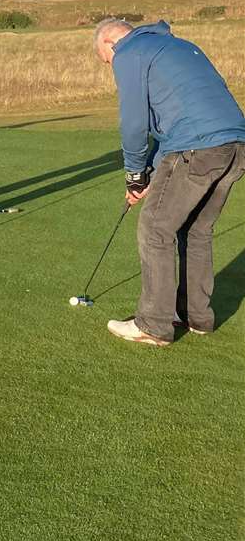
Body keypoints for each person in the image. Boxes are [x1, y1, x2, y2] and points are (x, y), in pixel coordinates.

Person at [94, 18, 245, 346]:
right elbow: (172, 125)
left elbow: (135, 123)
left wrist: (134, 174)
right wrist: (147, 172)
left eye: (106, 61)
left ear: (109, 43)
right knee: (196, 231)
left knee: (155, 228)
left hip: (199, 146)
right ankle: (197, 316)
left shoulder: (129, 52)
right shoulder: (179, 46)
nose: (111, 67)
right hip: (235, 146)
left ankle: (154, 324)